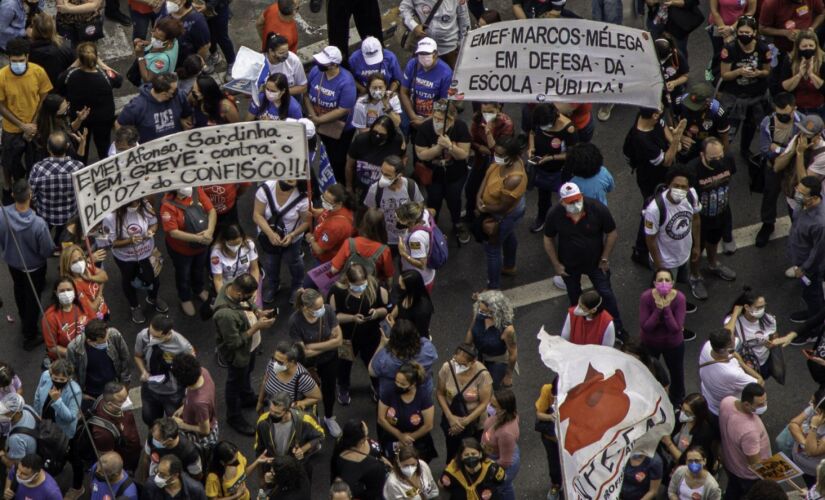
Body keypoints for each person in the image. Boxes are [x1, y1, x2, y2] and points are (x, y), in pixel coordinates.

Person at [544, 182, 625, 336]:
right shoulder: (555, 214)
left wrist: (605, 258)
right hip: (569, 265)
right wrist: (557, 265)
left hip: (596, 263)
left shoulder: (597, 208)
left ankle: (617, 328)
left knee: (606, 294)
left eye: (577, 199)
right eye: (570, 202)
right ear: (562, 202)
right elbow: (548, 238)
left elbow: (612, 233)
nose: (575, 204)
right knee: (575, 298)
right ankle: (580, 327)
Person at [214, 273, 276, 436]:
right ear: (239, 293)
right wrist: (256, 327)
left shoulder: (232, 285)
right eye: (250, 296)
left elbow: (248, 303)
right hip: (239, 354)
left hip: (250, 347)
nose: (252, 298)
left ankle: (247, 396)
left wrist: (258, 312)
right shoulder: (225, 315)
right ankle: (233, 416)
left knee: (247, 372)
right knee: (234, 383)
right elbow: (233, 343)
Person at [624, 106, 687, 265]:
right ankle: (640, 250)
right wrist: (677, 138)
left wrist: (672, 139)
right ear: (652, 115)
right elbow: (666, 161)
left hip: (661, 175)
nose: (661, 113)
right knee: (650, 210)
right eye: (658, 113)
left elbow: (664, 127)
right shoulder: (642, 140)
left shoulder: (651, 118)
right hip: (652, 180)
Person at [0, 179, 54, 350]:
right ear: (30, 195)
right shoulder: (39, 224)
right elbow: (47, 250)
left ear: (13, 195)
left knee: (19, 289)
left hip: (13, 263)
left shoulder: (2, 215)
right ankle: (29, 334)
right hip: (34, 267)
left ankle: (23, 316)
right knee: (33, 297)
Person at [330, 263, 389, 405]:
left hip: (371, 336)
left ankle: (376, 385)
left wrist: (376, 313)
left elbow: (385, 310)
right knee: (344, 364)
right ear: (348, 281)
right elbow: (333, 316)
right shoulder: (337, 291)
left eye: (363, 284)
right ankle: (343, 387)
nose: (361, 287)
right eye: (357, 285)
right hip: (347, 337)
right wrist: (352, 318)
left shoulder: (376, 287)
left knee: (373, 362)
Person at [415, 98, 472, 243]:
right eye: (435, 117)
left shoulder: (460, 127)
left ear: (451, 120)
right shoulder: (425, 128)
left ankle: (457, 223)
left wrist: (450, 147)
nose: (437, 122)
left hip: (455, 174)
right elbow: (421, 154)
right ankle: (432, 226)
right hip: (433, 174)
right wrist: (438, 148)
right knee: (434, 200)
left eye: (441, 119)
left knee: (454, 199)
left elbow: (464, 154)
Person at [644, 167, 705, 301]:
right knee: (664, 293)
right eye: (676, 186)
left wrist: (697, 246)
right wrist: (661, 267)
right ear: (668, 185)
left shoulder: (691, 195)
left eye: (684, 187)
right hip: (666, 261)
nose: (680, 190)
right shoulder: (654, 209)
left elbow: (695, 219)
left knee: (681, 280)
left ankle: (681, 295)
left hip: (684, 253)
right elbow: (650, 240)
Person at [289, 288, 343, 437]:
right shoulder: (295, 321)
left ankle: (329, 417)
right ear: (306, 308)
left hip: (329, 359)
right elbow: (303, 352)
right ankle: (314, 418)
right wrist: (328, 343)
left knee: (329, 390)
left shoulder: (328, 311)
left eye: (322, 306)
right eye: (318, 308)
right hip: (308, 364)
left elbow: (338, 341)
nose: (322, 310)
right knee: (309, 393)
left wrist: (313, 346)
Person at [476, 134, 527, 290]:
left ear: (512, 156)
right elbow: (487, 176)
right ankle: (509, 266)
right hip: (496, 209)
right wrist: (479, 196)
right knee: (508, 235)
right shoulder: (503, 161)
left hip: (503, 214)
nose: (495, 157)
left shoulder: (514, 179)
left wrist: (483, 208)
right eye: (495, 153)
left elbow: (503, 207)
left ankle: (493, 287)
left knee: (493, 248)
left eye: (500, 155)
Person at [55, 42, 122, 161]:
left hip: (80, 118)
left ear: (79, 59)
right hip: (103, 118)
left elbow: (60, 80)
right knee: (103, 147)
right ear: (95, 57)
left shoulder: (71, 75)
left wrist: (75, 64)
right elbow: (119, 79)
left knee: (81, 147)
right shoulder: (105, 76)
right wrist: (101, 63)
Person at [103, 198, 164, 324]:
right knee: (128, 280)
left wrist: (151, 231)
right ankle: (134, 306)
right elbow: (111, 243)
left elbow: (154, 222)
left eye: (138, 202)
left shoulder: (145, 204)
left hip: (147, 253)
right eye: (134, 202)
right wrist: (130, 241)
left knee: (154, 278)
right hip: (125, 258)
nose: (137, 204)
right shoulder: (110, 217)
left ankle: (152, 298)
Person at [0, 38, 52, 185]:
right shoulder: (2, 77)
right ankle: (8, 187)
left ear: (28, 56)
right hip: (11, 129)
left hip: (34, 128)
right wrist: (22, 126)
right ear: (8, 58)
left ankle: (32, 187)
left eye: (21, 60)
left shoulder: (38, 72)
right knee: (8, 163)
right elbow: (1, 106)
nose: (18, 64)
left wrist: (33, 124)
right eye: (14, 60)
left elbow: (43, 98)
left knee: (35, 161)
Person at [718, 15, 770, 158]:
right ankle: (721, 153)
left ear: (754, 33)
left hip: (755, 96)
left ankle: (745, 149)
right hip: (734, 96)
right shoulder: (730, 48)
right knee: (730, 127)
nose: (744, 35)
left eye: (748, 33)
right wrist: (739, 71)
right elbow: (724, 75)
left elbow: (767, 71)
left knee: (750, 126)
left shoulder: (763, 48)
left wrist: (758, 73)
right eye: (741, 32)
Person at [160, 186, 216, 316]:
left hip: (202, 245)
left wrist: (210, 231)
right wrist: (199, 238)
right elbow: (173, 232)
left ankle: (199, 289)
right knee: (183, 275)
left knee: (199, 268)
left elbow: (211, 210)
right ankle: (185, 297)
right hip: (181, 250)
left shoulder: (197, 190)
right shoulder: (167, 205)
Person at [252, 178, 309, 304]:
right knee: (271, 262)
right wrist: (270, 234)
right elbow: (257, 214)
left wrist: (292, 235)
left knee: (293, 261)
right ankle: (273, 285)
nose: (291, 178)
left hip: (292, 239)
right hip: (268, 235)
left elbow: (306, 222)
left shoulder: (303, 197)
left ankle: (297, 286)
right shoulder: (265, 189)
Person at [756, 93, 803, 246]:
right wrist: (789, 150)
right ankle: (768, 224)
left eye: (786, 114)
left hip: (794, 169)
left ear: (794, 109)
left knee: (795, 199)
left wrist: (778, 149)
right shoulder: (767, 123)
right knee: (770, 195)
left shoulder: (802, 122)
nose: (782, 117)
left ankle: (797, 225)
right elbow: (765, 149)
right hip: (773, 167)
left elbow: (803, 149)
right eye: (779, 114)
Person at [305, 45, 357, 182]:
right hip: (318, 124)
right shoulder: (316, 72)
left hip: (340, 130)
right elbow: (306, 95)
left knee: (337, 160)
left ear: (334, 65)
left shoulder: (346, 81)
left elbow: (343, 109)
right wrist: (314, 117)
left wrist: (319, 120)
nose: (319, 64)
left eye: (324, 63)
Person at [436, 343, 492, 462]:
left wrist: (466, 421)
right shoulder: (447, 368)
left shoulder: (483, 375)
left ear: (473, 362)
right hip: (452, 419)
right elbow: (440, 393)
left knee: (472, 453)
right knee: (452, 451)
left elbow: (484, 402)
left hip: (474, 423)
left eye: (462, 365)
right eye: (456, 362)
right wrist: (450, 418)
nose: (458, 366)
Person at [134, 315, 193, 425]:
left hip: (172, 392)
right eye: (150, 333)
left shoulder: (182, 345)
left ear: (167, 334)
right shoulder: (143, 335)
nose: (151, 338)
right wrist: (143, 371)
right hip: (149, 387)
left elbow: (192, 368)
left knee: (174, 423)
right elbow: (138, 356)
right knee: (149, 419)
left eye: (155, 336)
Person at [640, 269, 688, 405]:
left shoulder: (679, 299)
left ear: (672, 283)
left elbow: (675, 328)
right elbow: (646, 326)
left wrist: (666, 309)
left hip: (673, 344)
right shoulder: (646, 297)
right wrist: (658, 310)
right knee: (649, 370)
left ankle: (678, 401)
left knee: (677, 372)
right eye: (660, 280)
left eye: (667, 280)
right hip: (650, 343)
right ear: (654, 283)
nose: (664, 283)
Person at [727, 287, 797, 379]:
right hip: (744, 364)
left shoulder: (769, 320)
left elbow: (774, 337)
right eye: (758, 307)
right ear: (747, 307)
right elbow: (726, 336)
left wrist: (772, 343)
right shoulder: (734, 321)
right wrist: (735, 314)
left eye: (763, 306)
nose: (762, 310)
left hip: (764, 362)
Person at [719, 384, 771, 498]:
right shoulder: (750, 431)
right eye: (760, 404)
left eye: (765, 401)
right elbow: (755, 464)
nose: (765, 406)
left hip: (731, 464)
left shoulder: (727, 402)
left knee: (732, 492)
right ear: (747, 404)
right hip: (748, 476)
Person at [364, 156, 425, 254]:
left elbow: (420, 208)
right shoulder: (375, 190)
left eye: (387, 175)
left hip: (407, 237)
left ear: (399, 175)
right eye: (382, 173)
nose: (382, 177)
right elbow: (370, 212)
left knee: (406, 266)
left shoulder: (411, 186)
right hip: (385, 239)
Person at [29, 130, 83, 240]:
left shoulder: (38, 169)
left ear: (48, 148)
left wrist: (38, 205)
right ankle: (59, 245)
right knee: (64, 237)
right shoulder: (78, 167)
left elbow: (31, 194)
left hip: (45, 213)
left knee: (44, 235)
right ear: (67, 146)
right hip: (70, 214)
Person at [377, 361, 436, 462]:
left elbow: (428, 425)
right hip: (392, 437)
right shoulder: (389, 392)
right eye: (396, 381)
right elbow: (381, 419)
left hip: (417, 441)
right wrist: (400, 435)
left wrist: (409, 438)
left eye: (403, 384)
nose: (398, 385)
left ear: (413, 384)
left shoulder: (423, 397)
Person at [699, 328, 763, 418]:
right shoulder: (733, 373)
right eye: (733, 340)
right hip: (724, 411)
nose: (735, 338)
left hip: (709, 399)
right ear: (727, 349)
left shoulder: (707, 346)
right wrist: (742, 364)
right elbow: (759, 384)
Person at [786, 176, 825, 323]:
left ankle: (815, 326)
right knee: (808, 293)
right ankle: (812, 312)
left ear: (813, 197)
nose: (797, 194)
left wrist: (804, 268)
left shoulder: (820, 223)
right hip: (799, 256)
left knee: (813, 294)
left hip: (810, 266)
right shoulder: (803, 205)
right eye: (797, 189)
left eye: (802, 193)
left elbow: (819, 252)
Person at [253, 392, 324, 471]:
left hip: (296, 465)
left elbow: (320, 435)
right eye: (270, 410)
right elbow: (258, 447)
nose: (271, 415)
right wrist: (261, 473)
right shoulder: (263, 420)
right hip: (273, 464)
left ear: (287, 410)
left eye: (277, 413)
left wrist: (303, 449)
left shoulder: (304, 420)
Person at [116, 72, 192, 143]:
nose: (177, 91)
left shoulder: (180, 96)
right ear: (164, 94)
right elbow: (119, 124)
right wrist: (129, 143)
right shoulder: (137, 106)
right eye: (174, 91)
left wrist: (182, 120)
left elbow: (186, 116)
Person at [66, 318, 131, 402]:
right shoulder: (74, 348)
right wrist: (80, 394)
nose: (107, 342)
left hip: (114, 386)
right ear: (90, 341)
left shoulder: (114, 335)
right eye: (102, 342)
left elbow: (125, 358)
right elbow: (71, 373)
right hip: (91, 391)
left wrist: (125, 383)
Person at [370, 319, 438, 396]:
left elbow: (372, 371)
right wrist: (401, 331)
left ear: (393, 340)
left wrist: (382, 344)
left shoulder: (385, 360)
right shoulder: (427, 349)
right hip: (423, 393)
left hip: (394, 396)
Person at [465, 290, 517, 389]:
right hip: (479, 356)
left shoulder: (507, 329)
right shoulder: (479, 314)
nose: (481, 314)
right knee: (476, 384)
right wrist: (465, 350)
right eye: (481, 311)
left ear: (495, 311)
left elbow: (513, 354)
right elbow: (471, 330)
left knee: (492, 388)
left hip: (497, 362)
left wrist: (508, 376)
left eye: (485, 312)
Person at [346, 116, 405, 201]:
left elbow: (401, 162)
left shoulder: (396, 142)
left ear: (389, 135)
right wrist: (349, 187)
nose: (377, 136)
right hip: (362, 187)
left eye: (382, 135)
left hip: (384, 189)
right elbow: (349, 165)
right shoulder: (361, 140)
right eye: (375, 132)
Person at [400, 38, 452, 133]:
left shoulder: (446, 73)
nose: (424, 57)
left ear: (435, 54)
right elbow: (403, 92)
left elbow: (444, 102)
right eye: (421, 54)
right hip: (414, 116)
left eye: (427, 54)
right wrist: (413, 116)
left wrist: (425, 122)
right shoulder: (412, 64)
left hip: (435, 119)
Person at [170, 353, 218, 456]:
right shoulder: (203, 372)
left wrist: (181, 424)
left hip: (199, 439)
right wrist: (184, 407)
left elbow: (205, 430)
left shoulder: (199, 403)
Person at [88, 383, 141, 473]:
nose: (128, 402)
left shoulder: (117, 406)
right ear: (110, 404)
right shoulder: (103, 433)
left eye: (126, 397)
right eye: (122, 401)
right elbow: (109, 459)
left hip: (134, 451)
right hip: (126, 462)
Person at [399, 0, 469, 68]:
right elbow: (404, 8)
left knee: (455, 75)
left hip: (450, 48)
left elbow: (464, 19)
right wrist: (414, 26)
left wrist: (464, 44)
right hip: (425, 47)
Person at [329, 209, 394, 282]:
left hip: (349, 283)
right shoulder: (384, 250)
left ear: (364, 223)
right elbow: (389, 275)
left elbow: (334, 269)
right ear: (382, 227)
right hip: (370, 286)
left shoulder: (349, 243)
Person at [257, 341, 321, 414]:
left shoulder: (302, 378)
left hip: (290, 417)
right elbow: (265, 381)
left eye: (280, 362)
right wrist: (260, 402)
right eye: (274, 359)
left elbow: (316, 397)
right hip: (274, 412)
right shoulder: (272, 363)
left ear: (292, 362)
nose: (275, 363)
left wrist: (298, 404)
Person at [331, 419, 389, 499]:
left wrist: (381, 458)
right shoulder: (351, 468)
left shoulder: (345, 442)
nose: (365, 427)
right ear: (361, 441)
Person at [481, 388, 520, 500]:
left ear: (503, 409)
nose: (489, 406)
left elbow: (505, 462)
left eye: (493, 405)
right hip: (495, 452)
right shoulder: (507, 415)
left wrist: (485, 466)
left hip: (499, 462)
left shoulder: (506, 433)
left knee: (499, 489)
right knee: (506, 487)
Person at [440, 437, 505, 500]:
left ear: (480, 454)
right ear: (461, 457)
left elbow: (501, 481)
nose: (470, 457)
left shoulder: (492, 468)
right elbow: (442, 484)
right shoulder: (453, 470)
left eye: (473, 454)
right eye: (466, 455)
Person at [32, 358, 82, 440]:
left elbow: (70, 418)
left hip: (60, 431)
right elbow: (37, 396)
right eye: (55, 378)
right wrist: (37, 416)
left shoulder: (75, 391)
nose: (58, 381)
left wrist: (58, 401)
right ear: (51, 374)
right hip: (44, 419)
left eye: (62, 379)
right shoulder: (45, 376)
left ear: (69, 378)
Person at [41, 277, 89, 359]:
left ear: (74, 291)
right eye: (62, 291)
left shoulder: (82, 305)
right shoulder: (50, 317)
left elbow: (93, 323)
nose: (66, 293)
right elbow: (52, 347)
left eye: (69, 290)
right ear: (56, 293)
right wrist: (74, 355)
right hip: (66, 358)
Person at [209, 224, 259, 300]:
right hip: (227, 285)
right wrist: (225, 299)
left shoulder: (249, 245)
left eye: (238, 243)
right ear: (224, 241)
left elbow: (254, 269)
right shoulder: (216, 254)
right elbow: (218, 280)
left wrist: (254, 291)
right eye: (232, 244)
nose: (235, 247)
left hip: (246, 282)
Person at [395, 202, 438, 290]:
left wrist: (403, 253)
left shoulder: (416, 238)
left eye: (400, 219)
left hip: (419, 279)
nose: (397, 219)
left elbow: (422, 264)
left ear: (410, 221)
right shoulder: (423, 212)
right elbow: (433, 211)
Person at [61, 243, 109, 319]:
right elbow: (93, 308)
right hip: (93, 320)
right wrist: (101, 290)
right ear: (67, 265)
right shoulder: (73, 285)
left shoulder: (87, 267)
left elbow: (105, 276)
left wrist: (91, 278)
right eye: (74, 262)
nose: (79, 263)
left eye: (80, 259)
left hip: (103, 310)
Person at [759, 0, 825, 55]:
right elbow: (762, 28)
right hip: (783, 49)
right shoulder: (770, 3)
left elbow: (822, 13)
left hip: (808, 48)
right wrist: (785, 33)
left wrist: (812, 28)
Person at [132, 17, 184, 83]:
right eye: (153, 33)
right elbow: (156, 43)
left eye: (158, 39)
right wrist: (144, 43)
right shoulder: (173, 40)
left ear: (169, 42)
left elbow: (147, 79)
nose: (153, 38)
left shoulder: (162, 60)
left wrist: (140, 56)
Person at [27, 13, 73, 86]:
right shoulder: (66, 46)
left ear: (35, 31)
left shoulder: (29, 50)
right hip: (60, 87)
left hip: (38, 87)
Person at [790, 393, 825, 485]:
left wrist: (813, 426)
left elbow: (811, 452)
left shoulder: (816, 418)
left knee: (813, 487)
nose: (810, 404)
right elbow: (793, 424)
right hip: (799, 461)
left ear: (820, 410)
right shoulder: (813, 410)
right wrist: (804, 443)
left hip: (815, 472)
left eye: (813, 403)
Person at [535, 381, 562, 499]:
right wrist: (550, 417)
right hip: (551, 438)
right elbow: (539, 414)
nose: (555, 398)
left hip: (569, 440)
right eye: (553, 396)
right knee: (554, 462)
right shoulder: (547, 389)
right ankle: (556, 485)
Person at [388, 270, 434, 338]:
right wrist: (391, 315)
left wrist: (394, 327)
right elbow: (399, 305)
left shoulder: (423, 310)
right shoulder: (406, 293)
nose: (398, 287)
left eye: (401, 286)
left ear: (410, 288)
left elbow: (417, 334)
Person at [165, 0, 209, 69]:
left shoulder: (197, 21)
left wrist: (195, 66)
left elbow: (204, 46)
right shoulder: (166, 12)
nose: (168, 1)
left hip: (182, 64)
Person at [0, 393, 36, 471]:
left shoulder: (15, 439)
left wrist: (2, 455)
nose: (2, 415)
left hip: (25, 461)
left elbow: (16, 465)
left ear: (17, 413)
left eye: (6, 413)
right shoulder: (27, 408)